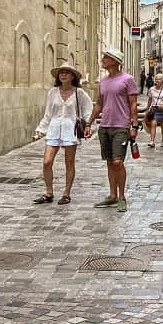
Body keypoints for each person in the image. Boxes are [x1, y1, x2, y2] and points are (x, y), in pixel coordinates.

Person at [32, 63, 93, 205]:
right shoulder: (53, 92)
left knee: (69, 162)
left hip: (70, 130)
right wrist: (41, 129)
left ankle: (66, 193)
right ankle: (48, 192)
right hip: (53, 128)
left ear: (73, 76)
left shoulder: (79, 93)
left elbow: (88, 109)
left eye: (67, 72)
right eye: (61, 72)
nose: (63, 74)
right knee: (47, 162)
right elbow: (48, 114)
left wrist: (87, 124)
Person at [87, 47, 138, 213]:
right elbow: (99, 104)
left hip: (121, 126)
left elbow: (132, 104)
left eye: (106, 57)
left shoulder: (127, 79)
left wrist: (134, 125)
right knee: (109, 162)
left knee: (118, 162)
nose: (102, 59)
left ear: (115, 61)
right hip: (105, 126)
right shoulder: (103, 81)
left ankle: (122, 196)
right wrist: (89, 122)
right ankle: (112, 195)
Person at [145, 73, 163, 148]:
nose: (157, 80)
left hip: (162, 109)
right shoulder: (151, 89)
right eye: (156, 79)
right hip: (154, 109)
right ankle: (152, 141)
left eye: (159, 79)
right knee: (153, 124)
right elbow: (150, 99)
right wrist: (147, 109)